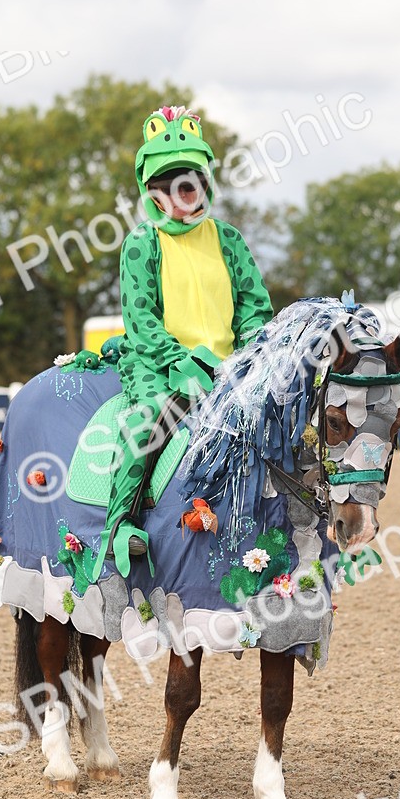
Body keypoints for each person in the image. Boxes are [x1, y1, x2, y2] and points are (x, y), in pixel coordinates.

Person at [92, 105, 273, 579]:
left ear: (204, 186)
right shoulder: (140, 243)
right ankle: (119, 526)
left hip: (229, 366)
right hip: (158, 364)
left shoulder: (229, 239)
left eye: (187, 185)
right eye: (164, 187)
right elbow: (141, 320)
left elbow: (254, 307)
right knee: (147, 419)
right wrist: (180, 359)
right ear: (149, 192)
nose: (177, 196)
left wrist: (248, 356)